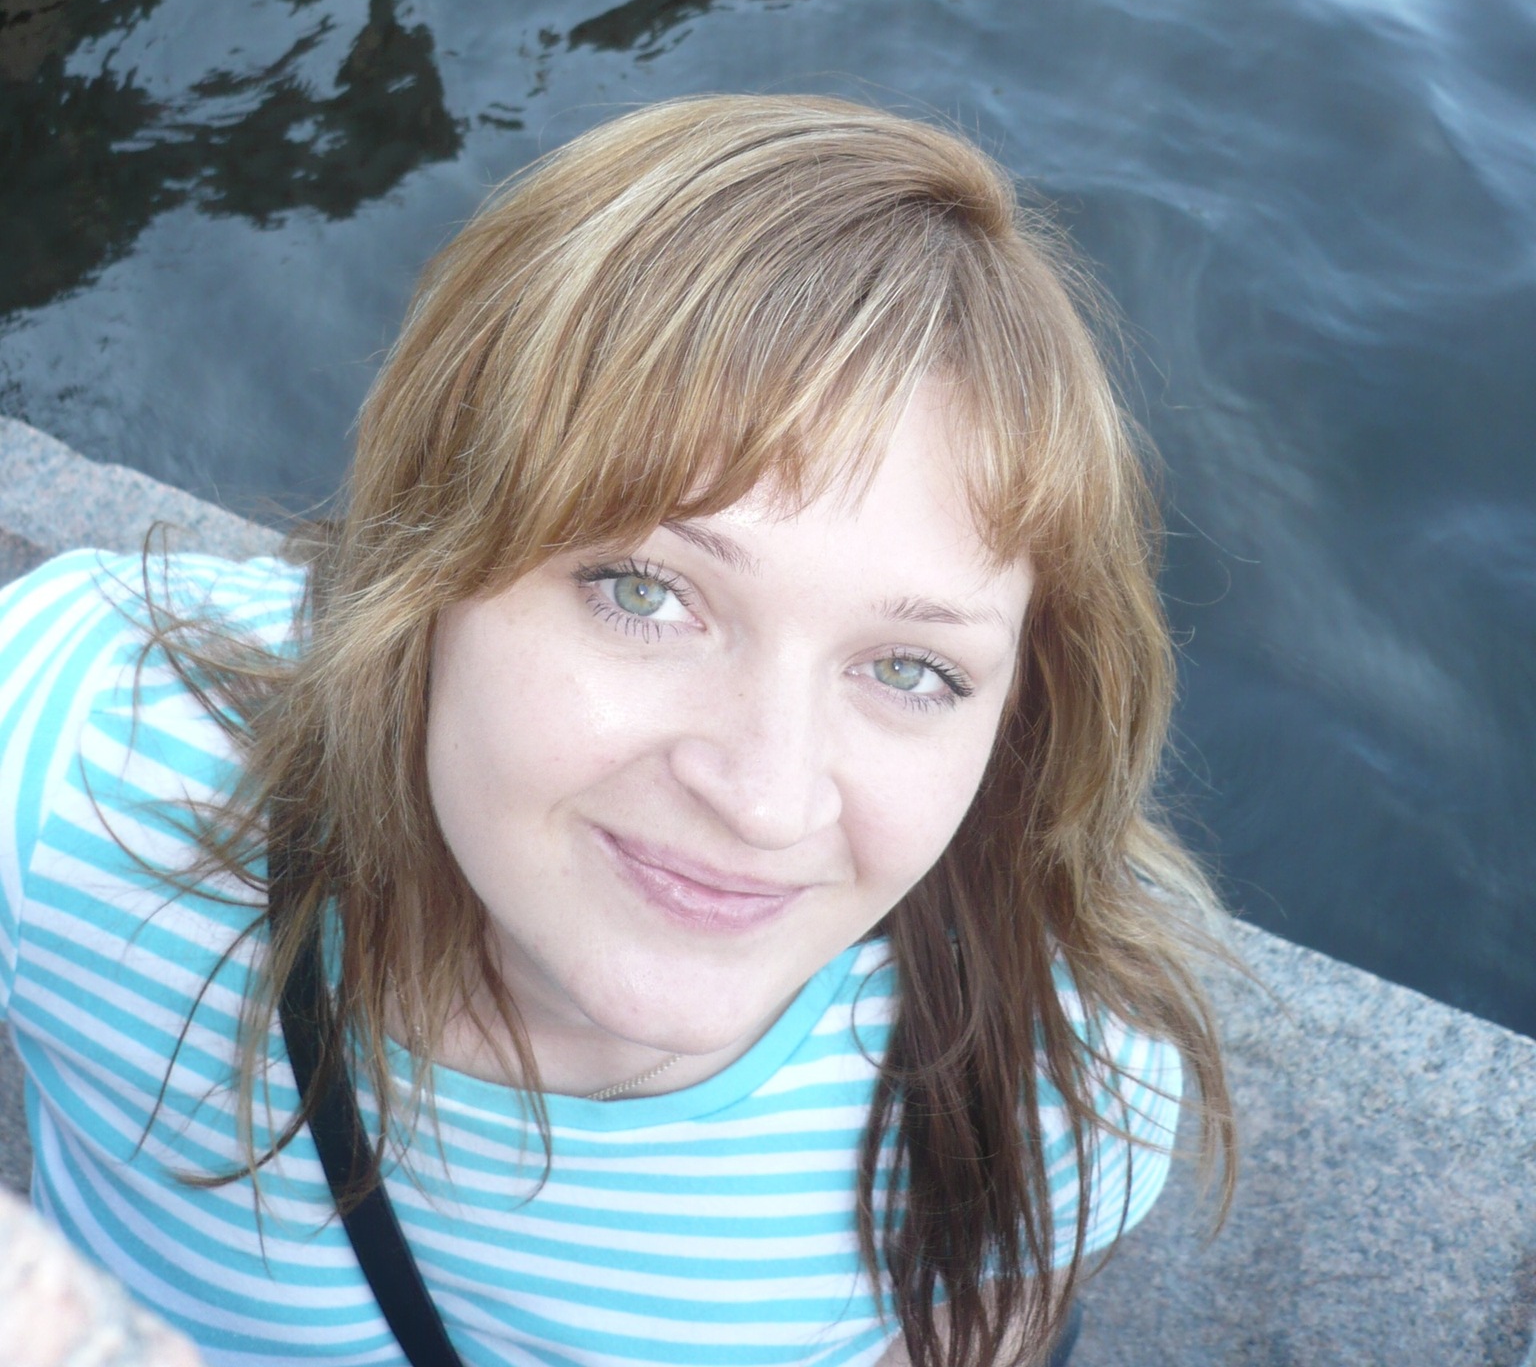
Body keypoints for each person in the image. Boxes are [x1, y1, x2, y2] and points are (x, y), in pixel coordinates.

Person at [0, 96, 1230, 1367]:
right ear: (423, 554)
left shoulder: (1053, 1068)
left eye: (909, 668)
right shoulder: (80, 751)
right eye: (645, 593)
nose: (765, 796)